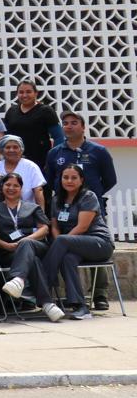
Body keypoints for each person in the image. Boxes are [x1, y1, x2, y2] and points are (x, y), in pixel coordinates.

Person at [44, 111, 118, 310]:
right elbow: (50, 179)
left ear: (83, 126)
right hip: (66, 213)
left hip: (90, 210)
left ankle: (99, 294)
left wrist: (90, 195)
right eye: (65, 123)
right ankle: (74, 300)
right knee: (68, 251)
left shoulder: (98, 151)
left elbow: (110, 179)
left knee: (87, 246)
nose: (69, 126)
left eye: (74, 123)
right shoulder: (56, 152)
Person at [44, 164, 114, 320]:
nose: (69, 180)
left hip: (99, 243)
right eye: (65, 177)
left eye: (74, 177)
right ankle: (80, 306)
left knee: (62, 242)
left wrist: (62, 241)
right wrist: (60, 244)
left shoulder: (88, 196)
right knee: (68, 258)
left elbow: (82, 227)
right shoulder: (56, 200)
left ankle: (45, 282)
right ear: (60, 179)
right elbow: (54, 227)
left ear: (81, 180)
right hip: (74, 246)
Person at [0, 173, 62, 321]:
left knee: (28, 247)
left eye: (16, 185)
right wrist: (6, 245)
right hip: (9, 252)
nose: (11, 188)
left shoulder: (33, 207)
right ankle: (47, 304)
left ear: (21, 189)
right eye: (8, 185)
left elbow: (44, 229)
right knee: (33, 261)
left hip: (36, 245)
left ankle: (18, 280)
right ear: (2, 187)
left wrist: (25, 240)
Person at [3, 80, 64, 170]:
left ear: (36, 93)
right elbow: (6, 137)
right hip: (15, 162)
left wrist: (52, 158)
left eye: (28, 92)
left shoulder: (46, 111)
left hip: (40, 162)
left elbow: (59, 137)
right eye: (21, 92)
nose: (24, 95)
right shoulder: (12, 111)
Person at [0, 135, 46, 208]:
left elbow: (38, 191)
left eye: (15, 147)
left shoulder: (31, 167)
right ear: (2, 151)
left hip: (26, 212)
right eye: (8, 147)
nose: (11, 150)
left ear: (21, 150)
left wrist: (41, 215)